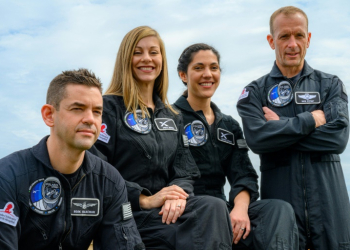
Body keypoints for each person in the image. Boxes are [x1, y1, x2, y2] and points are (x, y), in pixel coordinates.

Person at [92, 26, 233, 250]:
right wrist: (144, 198)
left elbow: (185, 171)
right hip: (126, 214)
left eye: (153, 52)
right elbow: (95, 168)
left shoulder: (172, 116)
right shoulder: (106, 108)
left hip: (165, 214)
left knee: (214, 207)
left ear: (162, 60)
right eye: (137, 52)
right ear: (125, 59)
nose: (146, 59)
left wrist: (177, 195)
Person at [237, 6, 350, 250]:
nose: (292, 44)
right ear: (271, 41)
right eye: (284, 36)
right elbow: (258, 140)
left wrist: (280, 128)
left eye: (299, 35)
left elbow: (338, 139)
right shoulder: (254, 93)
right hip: (281, 212)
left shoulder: (330, 85)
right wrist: (309, 121)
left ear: (308, 39)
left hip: (331, 209)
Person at [0, 69, 145, 250]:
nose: (90, 119)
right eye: (78, 109)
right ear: (49, 115)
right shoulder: (7, 176)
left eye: (97, 111)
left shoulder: (110, 182)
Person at [174, 43, 299, 250]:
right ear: (183, 75)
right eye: (198, 68)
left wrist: (239, 210)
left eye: (213, 68)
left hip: (222, 207)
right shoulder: (169, 119)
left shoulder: (229, 125)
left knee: (278, 209)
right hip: (187, 209)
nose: (208, 74)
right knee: (212, 210)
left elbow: (243, 175)